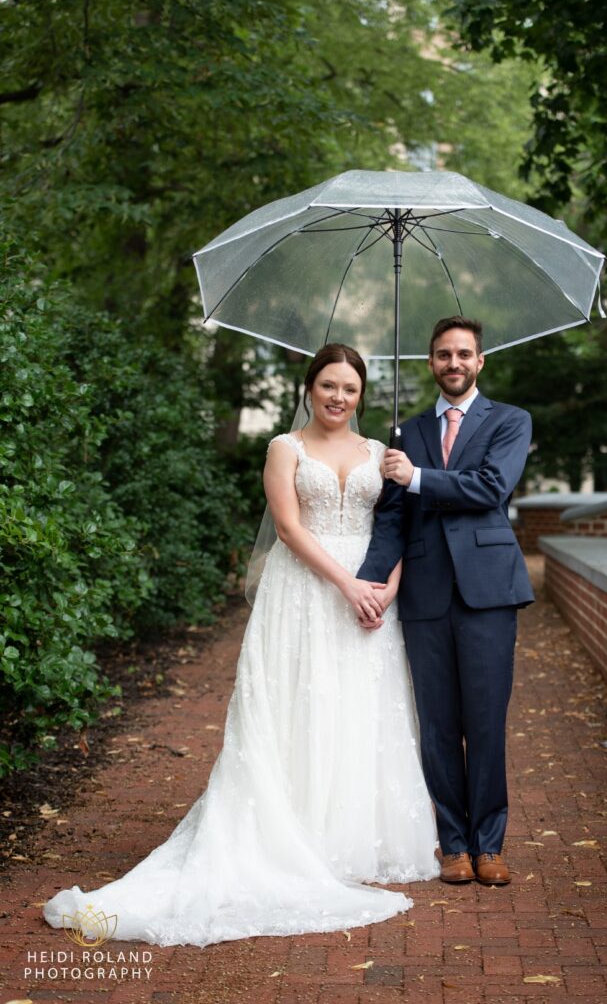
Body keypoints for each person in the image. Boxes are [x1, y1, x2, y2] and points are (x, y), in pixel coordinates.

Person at [43, 343, 438, 948]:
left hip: (369, 596)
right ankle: (293, 837)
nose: (339, 397)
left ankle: (350, 838)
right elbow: (287, 528)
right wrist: (346, 583)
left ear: (362, 396)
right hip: (306, 592)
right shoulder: (285, 449)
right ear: (310, 388)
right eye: (328, 385)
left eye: (350, 389)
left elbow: (397, 527)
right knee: (298, 708)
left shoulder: (381, 456)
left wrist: (384, 590)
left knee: (358, 708)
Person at [358, 316, 534, 887]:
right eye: (442, 354)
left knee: (485, 721)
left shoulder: (509, 421)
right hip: (426, 593)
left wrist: (416, 478)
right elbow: (389, 517)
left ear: (480, 360)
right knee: (436, 724)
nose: (453, 363)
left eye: (463, 353)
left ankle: (490, 845)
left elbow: (489, 488)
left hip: (488, 591)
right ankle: (452, 844)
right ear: (430, 363)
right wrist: (369, 582)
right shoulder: (404, 433)